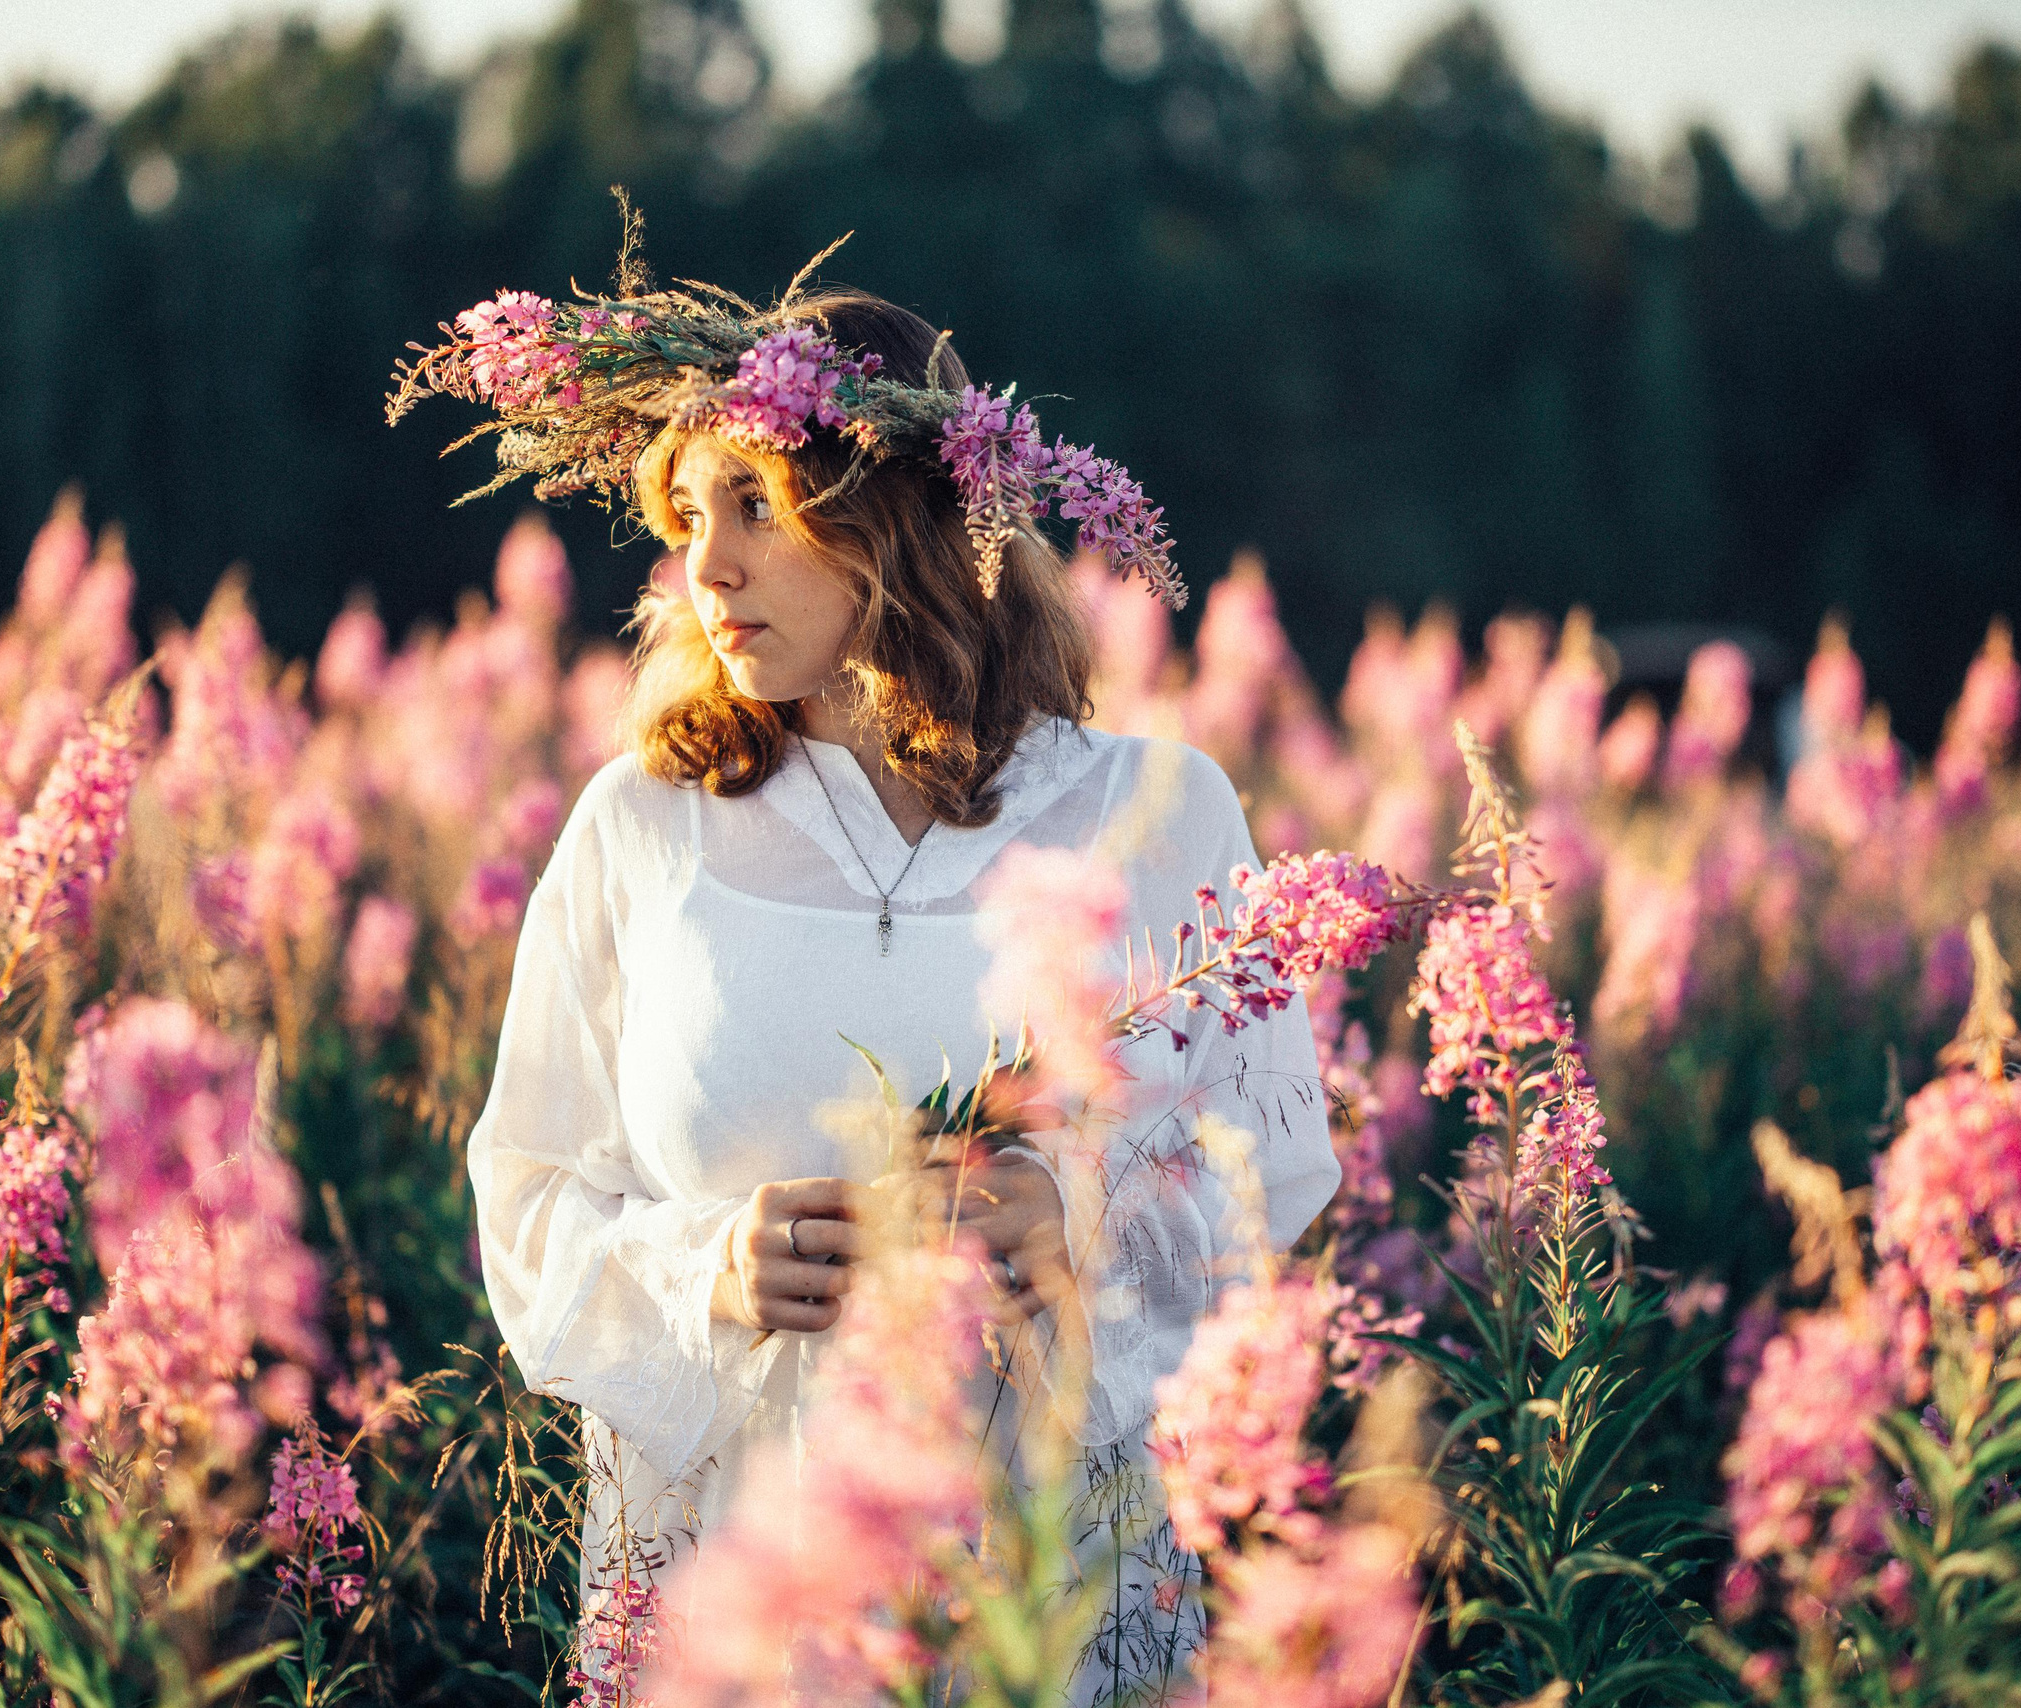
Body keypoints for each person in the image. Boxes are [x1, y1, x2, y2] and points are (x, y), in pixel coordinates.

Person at [409, 266, 1340, 1704]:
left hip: (1049, 1593)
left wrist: (1076, 1216)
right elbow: (528, 1191)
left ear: (890, 521)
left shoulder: (1153, 815)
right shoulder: (642, 825)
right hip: (741, 1596)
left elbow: (1274, 1170)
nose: (704, 567)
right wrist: (706, 1265)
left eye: (756, 508)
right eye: (687, 518)